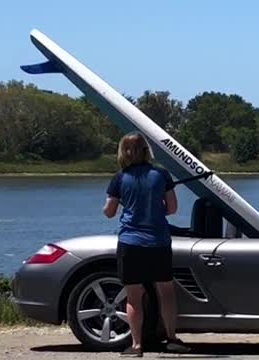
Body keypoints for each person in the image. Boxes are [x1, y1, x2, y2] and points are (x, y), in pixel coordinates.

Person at [103, 132, 190, 357]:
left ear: (123, 152)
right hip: (158, 242)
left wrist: (123, 201)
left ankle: (137, 345)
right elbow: (172, 209)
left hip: (130, 243)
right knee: (166, 292)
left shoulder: (120, 178)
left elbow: (109, 212)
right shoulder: (161, 175)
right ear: (146, 150)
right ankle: (171, 338)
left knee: (134, 297)